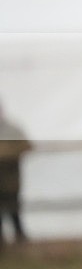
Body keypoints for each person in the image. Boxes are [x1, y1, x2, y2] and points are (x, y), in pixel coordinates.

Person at [0, 100, 31, 246]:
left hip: (11, 180)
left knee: (14, 211)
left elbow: (26, 146)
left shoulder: (13, 130)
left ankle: (20, 240)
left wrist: (6, 154)